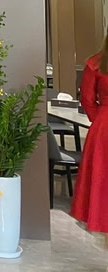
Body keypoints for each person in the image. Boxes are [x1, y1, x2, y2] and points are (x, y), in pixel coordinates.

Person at [70, 35, 108, 249]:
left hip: (103, 127)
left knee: (102, 182)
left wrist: (100, 119)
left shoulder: (95, 63)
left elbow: (86, 99)